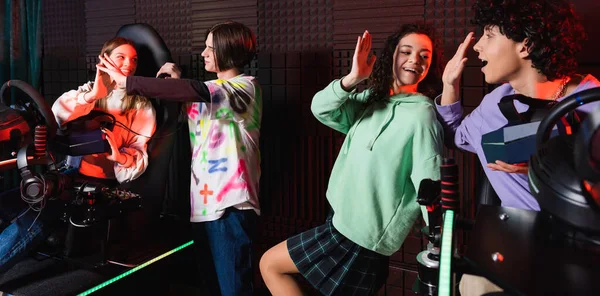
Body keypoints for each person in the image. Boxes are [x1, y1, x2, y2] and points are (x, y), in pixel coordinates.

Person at [259, 25, 445, 296]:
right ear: (391, 55)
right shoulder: (372, 100)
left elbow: (430, 180)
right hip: (339, 221)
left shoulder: (421, 116)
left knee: (270, 265)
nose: (415, 59)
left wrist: (438, 243)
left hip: (364, 237)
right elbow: (321, 108)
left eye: (424, 56)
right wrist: (353, 78)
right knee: (272, 266)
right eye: (406, 51)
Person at [435, 0, 600, 296]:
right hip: (518, 249)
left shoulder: (594, 104)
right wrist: (449, 85)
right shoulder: (494, 105)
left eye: (489, 35)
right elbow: (455, 135)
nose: (478, 47)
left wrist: (549, 171)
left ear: (526, 45)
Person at [97, 21, 261, 296]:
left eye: (210, 48)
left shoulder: (245, 87)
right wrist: (172, 78)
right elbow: (184, 95)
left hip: (232, 205)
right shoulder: (208, 89)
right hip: (203, 203)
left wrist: (126, 82)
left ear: (227, 51)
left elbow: (194, 91)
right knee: (211, 285)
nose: (204, 54)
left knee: (234, 288)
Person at [0, 36, 156, 274]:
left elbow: (139, 154)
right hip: (67, 175)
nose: (128, 64)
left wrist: (119, 157)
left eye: (133, 60)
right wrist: (93, 95)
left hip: (99, 185)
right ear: (104, 60)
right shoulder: (88, 92)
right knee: (8, 202)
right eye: (120, 57)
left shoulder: (142, 107)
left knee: (35, 217)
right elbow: (57, 115)